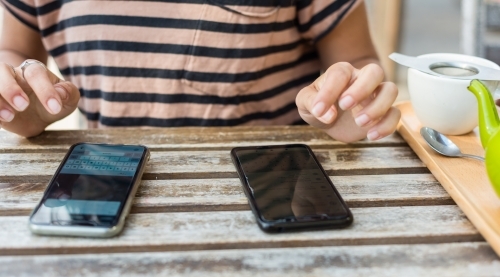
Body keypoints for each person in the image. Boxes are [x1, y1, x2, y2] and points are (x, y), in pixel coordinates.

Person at [0, 0, 400, 142]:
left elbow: (358, 60)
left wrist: (352, 103)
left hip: (274, 194)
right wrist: (19, 94)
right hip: (109, 187)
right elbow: (13, 49)